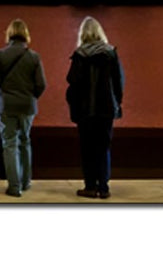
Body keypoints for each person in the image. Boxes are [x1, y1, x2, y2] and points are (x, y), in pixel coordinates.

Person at [65, 15, 124, 199]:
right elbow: (118, 83)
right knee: (104, 147)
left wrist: (73, 106)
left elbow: (72, 82)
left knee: (87, 149)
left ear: (83, 34)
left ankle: (90, 186)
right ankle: (104, 188)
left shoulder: (79, 55)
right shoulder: (111, 54)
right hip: (106, 109)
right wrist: (117, 103)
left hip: (84, 111)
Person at [0, 18, 46, 197]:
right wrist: (30, 96)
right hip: (27, 106)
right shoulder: (34, 57)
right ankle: (26, 182)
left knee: (9, 144)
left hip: (6, 106)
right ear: (26, 35)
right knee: (25, 141)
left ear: (9, 34)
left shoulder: (0, 54)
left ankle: (14, 187)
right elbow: (41, 84)